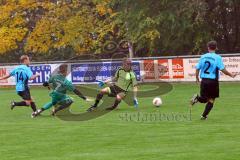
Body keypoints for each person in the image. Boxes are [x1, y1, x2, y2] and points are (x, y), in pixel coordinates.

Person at [190, 41, 237, 120]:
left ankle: (197, 98)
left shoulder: (203, 57)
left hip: (204, 80)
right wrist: (231, 75)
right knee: (211, 99)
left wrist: (197, 77)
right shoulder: (217, 57)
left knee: (204, 99)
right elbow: (223, 69)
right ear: (216, 48)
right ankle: (203, 115)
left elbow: (197, 68)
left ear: (208, 48)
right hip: (213, 81)